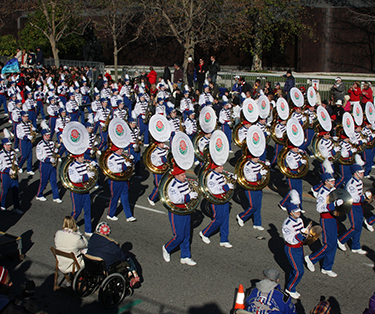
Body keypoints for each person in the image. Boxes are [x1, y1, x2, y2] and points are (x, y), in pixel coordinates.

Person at [305, 173, 343, 278]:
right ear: (326, 182)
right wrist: (333, 205)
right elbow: (319, 208)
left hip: (333, 218)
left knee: (333, 244)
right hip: (326, 219)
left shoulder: (333, 190)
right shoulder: (322, 193)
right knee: (328, 244)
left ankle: (327, 267)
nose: (334, 182)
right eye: (331, 180)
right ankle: (311, 258)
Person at [162, 165, 198, 266]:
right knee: (179, 236)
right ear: (176, 175)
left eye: (184, 174)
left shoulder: (184, 181)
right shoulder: (172, 185)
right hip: (176, 212)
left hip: (186, 210)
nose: (184, 176)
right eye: (182, 175)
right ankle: (167, 248)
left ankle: (185, 256)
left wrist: (194, 189)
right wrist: (189, 196)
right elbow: (176, 199)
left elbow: (188, 191)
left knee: (187, 234)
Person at [87, 222, 140, 287]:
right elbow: (122, 258)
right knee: (128, 259)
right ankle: (135, 276)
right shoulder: (112, 245)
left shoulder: (93, 238)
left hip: (90, 262)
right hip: (105, 267)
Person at [199, 162, 234, 248]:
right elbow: (214, 190)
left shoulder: (220, 173)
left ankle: (224, 239)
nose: (222, 168)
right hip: (216, 200)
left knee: (225, 218)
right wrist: (226, 187)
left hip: (224, 198)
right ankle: (205, 233)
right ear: (215, 167)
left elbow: (226, 178)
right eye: (220, 167)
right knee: (218, 219)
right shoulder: (211, 176)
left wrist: (233, 178)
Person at [337, 164, 368, 255]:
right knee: (355, 227)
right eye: (361, 172)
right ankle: (341, 240)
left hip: (358, 206)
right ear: (355, 173)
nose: (362, 174)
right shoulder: (351, 183)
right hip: (352, 206)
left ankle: (355, 246)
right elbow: (352, 197)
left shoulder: (360, 182)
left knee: (359, 226)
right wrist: (362, 198)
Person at [282, 202, 310, 299]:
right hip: (292, 249)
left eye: (299, 211)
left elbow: (302, 233)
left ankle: (290, 284)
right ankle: (290, 288)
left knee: (296, 268)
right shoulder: (287, 224)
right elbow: (289, 239)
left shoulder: (300, 220)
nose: (299, 213)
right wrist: (299, 235)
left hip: (300, 247)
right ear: (290, 213)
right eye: (296, 212)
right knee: (299, 271)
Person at [106, 143, 136, 222]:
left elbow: (130, 166)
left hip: (123, 179)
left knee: (125, 197)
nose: (121, 151)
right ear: (115, 150)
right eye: (119, 149)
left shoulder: (123, 156)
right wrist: (125, 165)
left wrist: (132, 160)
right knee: (114, 197)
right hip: (115, 180)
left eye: (121, 149)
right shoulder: (111, 158)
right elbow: (114, 169)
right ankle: (110, 214)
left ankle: (129, 216)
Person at [236, 154, 267, 230]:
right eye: (256, 157)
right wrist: (260, 174)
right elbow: (250, 178)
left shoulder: (259, 164)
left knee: (258, 205)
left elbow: (264, 172)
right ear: (251, 157)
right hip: (250, 188)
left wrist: (266, 168)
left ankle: (257, 223)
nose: (258, 158)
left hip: (258, 187)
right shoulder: (247, 165)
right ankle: (241, 216)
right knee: (253, 206)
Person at [68, 153, 96, 237]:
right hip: (76, 191)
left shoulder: (85, 164)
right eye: (81, 157)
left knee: (88, 210)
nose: (83, 158)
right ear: (76, 158)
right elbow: (75, 179)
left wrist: (94, 166)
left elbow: (91, 170)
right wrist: (87, 176)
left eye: (83, 156)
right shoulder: (72, 167)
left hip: (85, 190)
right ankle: (69, 226)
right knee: (77, 211)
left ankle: (88, 230)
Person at [35, 129, 62, 203]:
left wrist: (56, 151)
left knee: (53, 180)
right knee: (44, 180)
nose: (49, 136)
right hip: (45, 164)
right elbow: (39, 156)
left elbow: (54, 150)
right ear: (43, 136)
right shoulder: (40, 145)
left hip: (52, 164)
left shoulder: (52, 142)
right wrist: (48, 160)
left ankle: (56, 196)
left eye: (49, 134)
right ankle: (39, 194)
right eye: (47, 135)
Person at [0, 138, 22, 214]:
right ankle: (2, 205)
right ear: (4, 146)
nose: (10, 146)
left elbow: (15, 161)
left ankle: (16, 207)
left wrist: (16, 167)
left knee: (15, 191)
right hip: (5, 175)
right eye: (8, 145)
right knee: (5, 191)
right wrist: (8, 170)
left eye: (10, 145)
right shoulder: (1, 154)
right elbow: (0, 166)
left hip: (13, 174)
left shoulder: (13, 152)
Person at [147, 142, 168, 206]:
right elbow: (155, 163)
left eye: (163, 143)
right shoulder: (154, 152)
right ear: (157, 144)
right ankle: (151, 198)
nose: (163, 144)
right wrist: (164, 159)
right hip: (158, 172)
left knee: (165, 183)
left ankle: (164, 196)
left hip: (165, 170)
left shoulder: (165, 148)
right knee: (158, 186)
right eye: (161, 143)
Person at [16, 111, 35, 175]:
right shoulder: (19, 125)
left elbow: (31, 130)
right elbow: (19, 135)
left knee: (30, 155)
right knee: (24, 155)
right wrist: (26, 137)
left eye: (27, 116)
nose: (27, 118)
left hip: (29, 141)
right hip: (23, 141)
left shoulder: (29, 123)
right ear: (22, 117)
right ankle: (19, 166)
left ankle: (29, 169)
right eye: (25, 117)